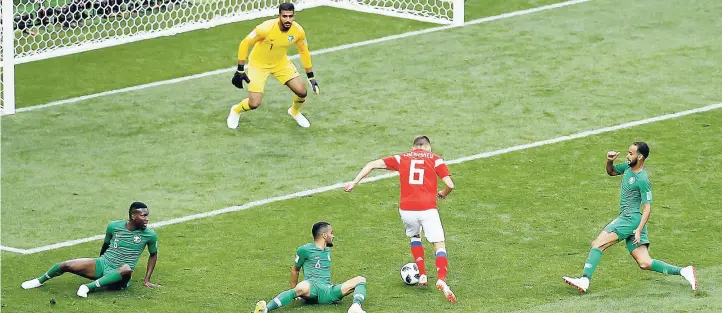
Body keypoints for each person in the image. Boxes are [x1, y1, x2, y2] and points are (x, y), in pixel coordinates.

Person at [562, 142, 697, 292]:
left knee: (598, 244)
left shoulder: (642, 179)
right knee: (644, 262)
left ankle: (585, 280)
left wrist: (638, 229)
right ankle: (684, 271)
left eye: (631, 153)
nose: (627, 156)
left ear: (640, 157)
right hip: (633, 220)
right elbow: (611, 172)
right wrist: (609, 160)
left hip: (630, 219)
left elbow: (647, 207)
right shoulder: (627, 167)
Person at [344, 135, 457, 303]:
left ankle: (423, 274)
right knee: (438, 244)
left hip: (406, 209)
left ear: (413, 148)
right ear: (428, 148)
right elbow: (450, 184)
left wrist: (354, 183)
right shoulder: (435, 159)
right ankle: (441, 278)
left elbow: (372, 164)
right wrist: (443, 193)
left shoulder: (402, 158)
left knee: (414, 236)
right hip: (427, 208)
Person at [21, 202, 160, 297]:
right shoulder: (114, 226)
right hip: (104, 263)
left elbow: (153, 255)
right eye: (144, 215)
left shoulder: (150, 234)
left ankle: (88, 287)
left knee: (127, 269)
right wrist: (100, 261)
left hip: (121, 275)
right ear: (133, 216)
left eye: (147, 215)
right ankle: (39, 281)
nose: (147, 219)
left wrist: (146, 279)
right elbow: (105, 245)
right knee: (66, 265)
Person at [227, 2, 320, 129]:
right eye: (284, 16)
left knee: (302, 92)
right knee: (254, 103)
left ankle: (294, 111)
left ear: (294, 16)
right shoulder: (265, 28)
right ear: (279, 16)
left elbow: (304, 51)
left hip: (280, 63)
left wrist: (311, 77)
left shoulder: (298, 31)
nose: (288, 20)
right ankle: (235, 110)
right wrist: (240, 69)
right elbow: (245, 43)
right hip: (259, 65)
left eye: (290, 16)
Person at [253, 222, 368, 313]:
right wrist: (294, 291)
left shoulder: (327, 250)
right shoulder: (304, 250)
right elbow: (295, 269)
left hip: (328, 290)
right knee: (301, 287)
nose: (333, 236)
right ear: (324, 235)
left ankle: (355, 307)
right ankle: (266, 309)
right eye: (331, 233)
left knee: (360, 280)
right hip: (311, 286)